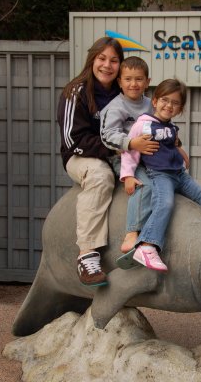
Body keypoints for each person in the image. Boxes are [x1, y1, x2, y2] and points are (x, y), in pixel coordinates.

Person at [120, 79, 201, 272]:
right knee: (165, 203)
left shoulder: (170, 127)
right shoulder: (142, 126)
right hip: (159, 175)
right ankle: (147, 246)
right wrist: (127, 175)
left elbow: (173, 144)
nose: (169, 105)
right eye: (165, 100)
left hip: (179, 174)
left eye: (175, 103)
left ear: (180, 108)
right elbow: (129, 152)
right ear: (155, 101)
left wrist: (182, 153)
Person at [57, 37, 124, 287]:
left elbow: (147, 120)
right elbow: (72, 140)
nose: (107, 65)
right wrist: (116, 149)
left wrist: (177, 147)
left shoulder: (123, 91)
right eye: (102, 58)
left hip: (118, 154)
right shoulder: (76, 91)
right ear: (92, 59)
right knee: (100, 177)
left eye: (114, 60)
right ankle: (87, 255)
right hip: (80, 156)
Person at [100, 56, 160, 252]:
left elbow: (164, 123)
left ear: (147, 82)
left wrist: (176, 142)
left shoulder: (152, 104)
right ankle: (131, 233)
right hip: (123, 158)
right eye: (128, 79)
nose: (133, 84)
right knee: (144, 187)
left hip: (150, 157)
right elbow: (107, 136)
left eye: (139, 79)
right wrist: (132, 143)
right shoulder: (116, 107)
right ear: (119, 82)